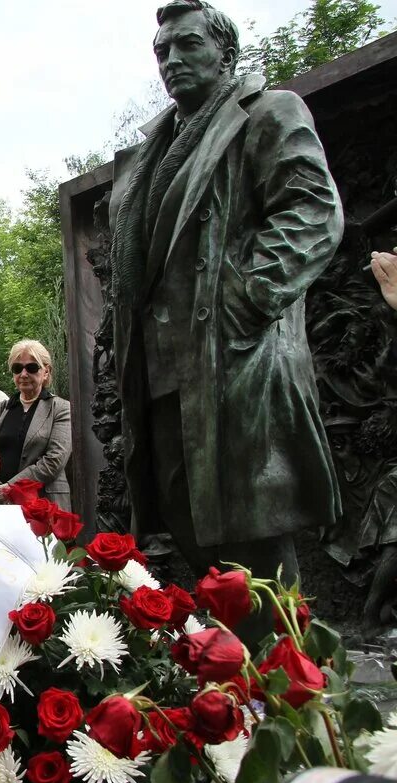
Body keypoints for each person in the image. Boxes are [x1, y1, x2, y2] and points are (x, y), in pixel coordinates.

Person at [109, 0, 343, 595]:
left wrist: (249, 297)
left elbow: (311, 209)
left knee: (254, 534)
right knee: (189, 526)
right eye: (163, 51)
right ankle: (233, 667)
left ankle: (283, 669)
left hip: (232, 359)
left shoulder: (265, 112)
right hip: (162, 376)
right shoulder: (152, 152)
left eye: (188, 45)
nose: (172, 60)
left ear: (226, 53)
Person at [0, 340, 73, 510]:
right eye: (17, 368)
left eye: (31, 368)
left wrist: (11, 488)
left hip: (43, 506)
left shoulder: (60, 409)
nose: (23, 374)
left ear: (46, 371)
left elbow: (54, 460)